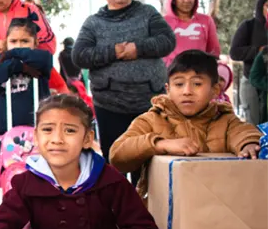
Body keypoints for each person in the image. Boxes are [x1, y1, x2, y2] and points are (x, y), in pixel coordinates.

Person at [0, 94, 160, 229]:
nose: (57, 139)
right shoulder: (27, 185)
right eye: (47, 129)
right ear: (36, 137)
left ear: (87, 138)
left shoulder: (110, 180)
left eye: (70, 130)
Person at [111, 50, 262, 197]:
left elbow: (243, 132)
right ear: (168, 89)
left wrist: (248, 144)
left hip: (216, 206)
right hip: (164, 212)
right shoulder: (152, 119)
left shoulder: (225, 119)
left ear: (215, 90)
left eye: (197, 83)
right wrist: (160, 144)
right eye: (179, 84)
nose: (187, 91)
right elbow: (117, 155)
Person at [72, 0, 176, 172]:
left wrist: (138, 48)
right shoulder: (93, 23)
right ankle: (114, 202)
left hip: (148, 102)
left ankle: (146, 203)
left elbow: (167, 41)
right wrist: (113, 52)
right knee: (113, 161)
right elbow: (80, 55)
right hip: (109, 104)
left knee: (148, 162)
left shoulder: (148, 13)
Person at [0, 18, 53, 135]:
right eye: (13, 41)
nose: (19, 46)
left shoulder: (42, 58)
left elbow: (43, 60)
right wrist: (19, 66)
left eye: (25, 41)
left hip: (37, 130)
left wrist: (12, 53)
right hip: (4, 131)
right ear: (6, 42)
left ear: (35, 43)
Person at [230, 0, 268, 125]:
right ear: (261, 6)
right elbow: (234, 52)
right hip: (252, 83)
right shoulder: (249, 26)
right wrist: (258, 51)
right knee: (255, 127)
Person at [162, 0, 220, 66]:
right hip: (172, 75)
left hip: (199, 74)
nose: (187, 0)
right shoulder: (163, 22)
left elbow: (214, 51)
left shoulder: (206, 20)